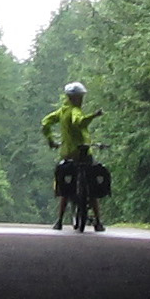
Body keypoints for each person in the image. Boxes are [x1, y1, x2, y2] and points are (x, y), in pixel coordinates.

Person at [41, 81, 104, 231]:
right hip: (83, 153)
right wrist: (93, 116)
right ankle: (98, 222)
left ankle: (59, 221)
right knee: (92, 186)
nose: (81, 100)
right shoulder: (76, 111)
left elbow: (45, 123)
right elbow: (79, 123)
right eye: (79, 97)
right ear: (73, 98)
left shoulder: (61, 112)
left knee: (65, 187)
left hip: (67, 154)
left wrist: (51, 140)